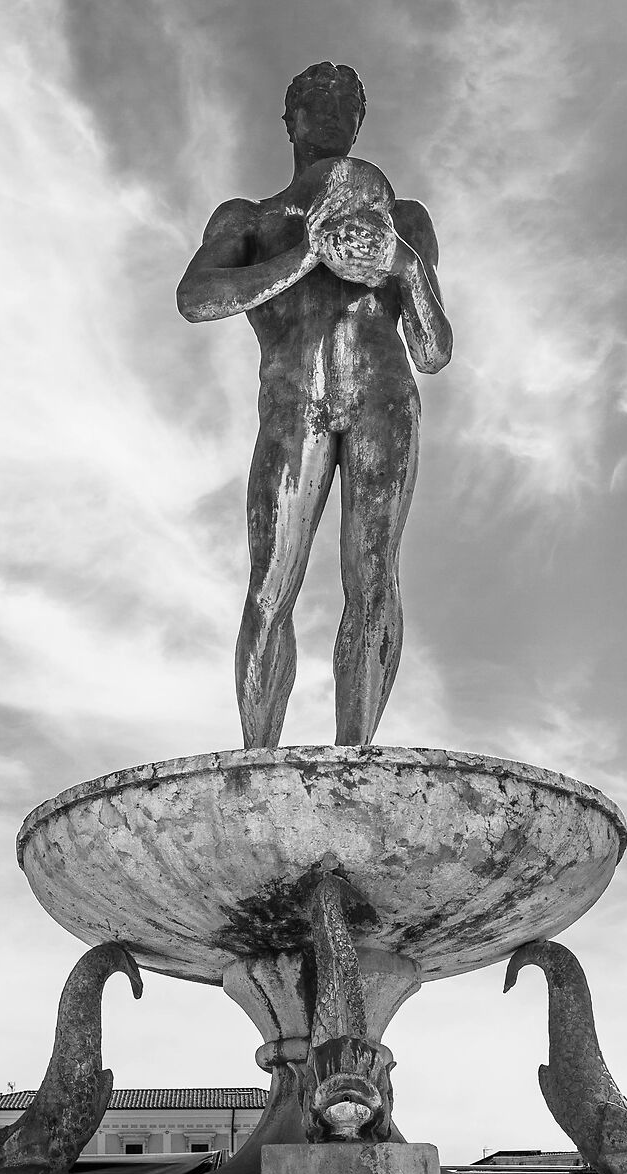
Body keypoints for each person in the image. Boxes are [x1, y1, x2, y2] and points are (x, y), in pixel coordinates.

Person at [177, 62, 452, 749]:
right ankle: (258, 761)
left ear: (360, 122)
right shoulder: (252, 218)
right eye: (313, 101)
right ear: (290, 120)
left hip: (382, 398)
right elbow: (196, 298)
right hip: (293, 402)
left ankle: (353, 754)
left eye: (343, 106)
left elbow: (435, 348)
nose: (329, 114)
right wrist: (308, 255)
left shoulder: (403, 218)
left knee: (373, 576)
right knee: (270, 586)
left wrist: (404, 266)